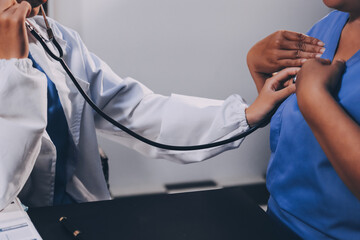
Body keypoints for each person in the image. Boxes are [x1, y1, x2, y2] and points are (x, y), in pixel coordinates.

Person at [0, 0, 323, 210]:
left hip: (77, 214)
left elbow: (131, 109)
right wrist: (13, 69)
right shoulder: (14, 54)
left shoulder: (50, 37)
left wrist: (244, 114)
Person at [248, 0, 360, 239]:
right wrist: (259, 69)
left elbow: (309, 105)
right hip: (274, 224)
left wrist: (315, 99)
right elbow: (296, 129)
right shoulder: (326, 28)